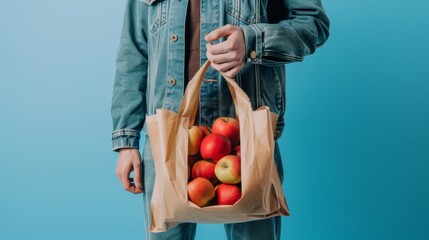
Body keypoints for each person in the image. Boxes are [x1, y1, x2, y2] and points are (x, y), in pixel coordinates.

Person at [111, 0, 329, 239]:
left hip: (244, 141)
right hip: (167, 140)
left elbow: (312, 23)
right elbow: (133, 50)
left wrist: (253, 41)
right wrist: (126, 139)